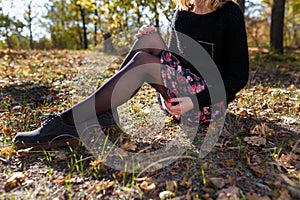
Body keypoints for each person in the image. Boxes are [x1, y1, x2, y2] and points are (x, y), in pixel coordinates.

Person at [13, 0, 249, 149]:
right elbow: (181, 63)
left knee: (144, 63)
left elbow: (239, 76)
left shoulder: (229, 13)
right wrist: (154, 41)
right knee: (147, 41)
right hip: (181, 93)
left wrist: (194, 101)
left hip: (205, 103)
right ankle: (104, 113)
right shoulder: (183, 11)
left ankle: (67, 122)